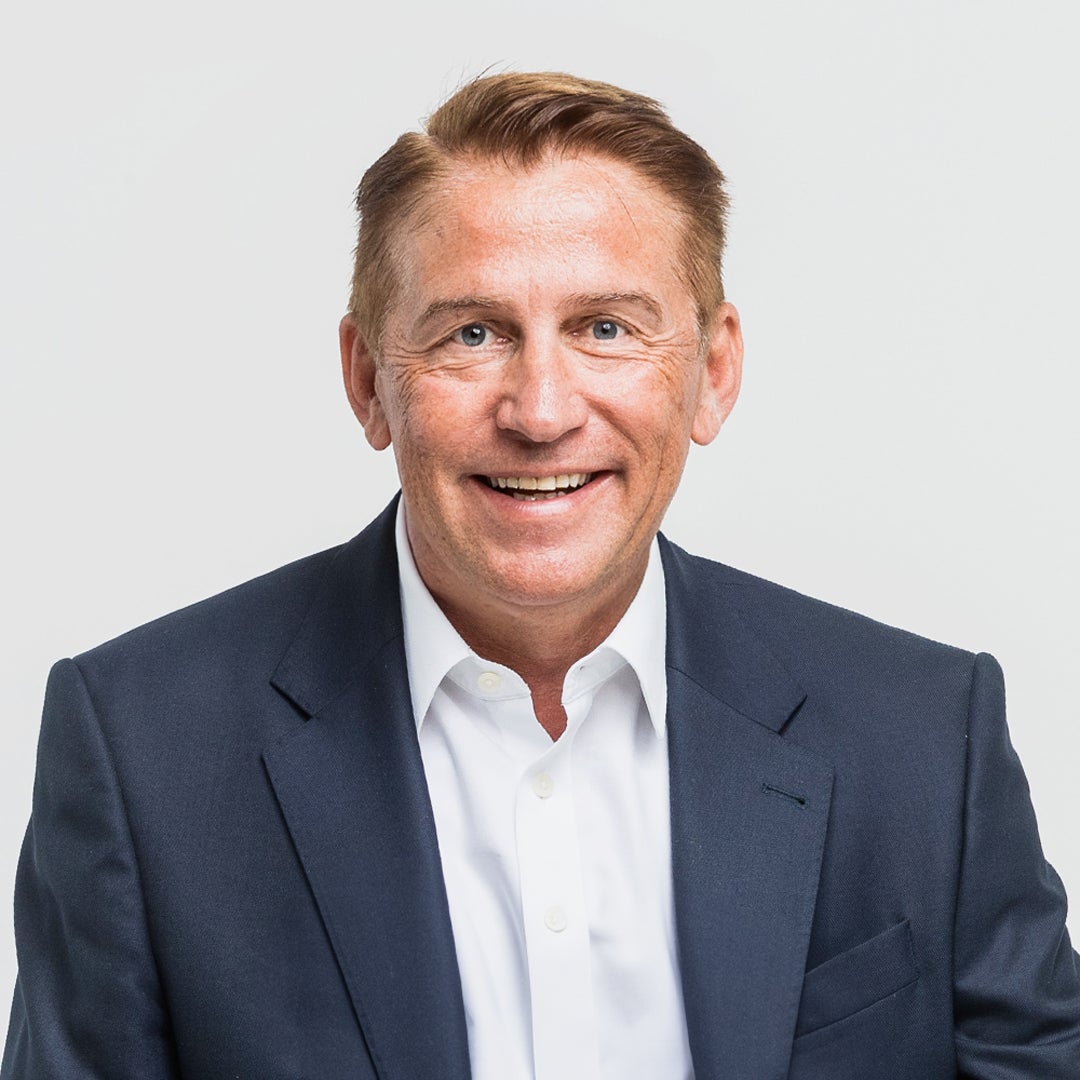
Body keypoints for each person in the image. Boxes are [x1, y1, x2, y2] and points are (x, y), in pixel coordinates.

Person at [3, 70, 1078, 1080]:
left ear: (712, 373)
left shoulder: (925, 738)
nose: (542, 411)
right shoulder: (143, 755)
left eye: (606, 328)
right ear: (368, 382)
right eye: (473, 334)